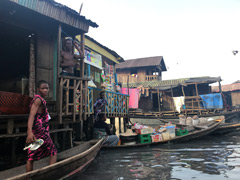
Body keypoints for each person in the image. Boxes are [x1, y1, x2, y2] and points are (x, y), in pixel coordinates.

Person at [26, 80, 57, 172]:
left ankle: (28, 178)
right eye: (43, 88)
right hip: (40, 130)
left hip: (38, 130)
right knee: (53, 151)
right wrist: (29, 132)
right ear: (38, 89)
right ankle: (50, 173)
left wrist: (31, 132)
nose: (45, 90)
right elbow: (31, 115)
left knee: (31, 155)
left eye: (46, 88)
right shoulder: (38, 100)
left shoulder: (40, 100)